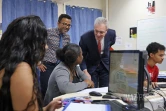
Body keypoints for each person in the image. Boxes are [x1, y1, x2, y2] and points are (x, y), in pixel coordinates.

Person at [0, 15, 62, 111]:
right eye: (43, 42)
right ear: (30, 44)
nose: (46, 47)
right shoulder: (21, 69)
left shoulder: (8, 65)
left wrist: (46, 108)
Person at [38, 14, 72, 98]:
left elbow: (65, 52)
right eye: (64, 24)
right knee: (46, 90)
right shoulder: (48, 32)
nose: (66, 26)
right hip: (47, 66)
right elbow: (38, 46)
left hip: (60, 66)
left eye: (68, 25)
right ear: (58, 23)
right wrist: (38, 62)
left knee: (59, 90)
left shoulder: (67, 37)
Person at [79, 17, 116, 88]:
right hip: (92, 66)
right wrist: (85, 71)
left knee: (106, 89)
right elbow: (81, 56)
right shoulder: (85, 38)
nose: (98, 34)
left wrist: (103, 51)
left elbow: (110, 44)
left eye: (101, 32)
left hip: (105, 66)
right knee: (92, 90)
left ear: (106, 31)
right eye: (96, 31)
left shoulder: (112, 34)